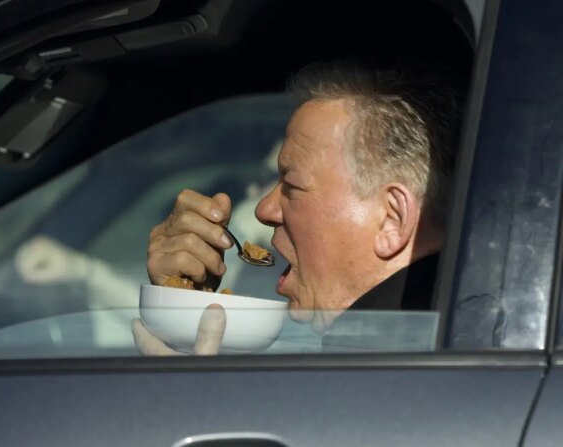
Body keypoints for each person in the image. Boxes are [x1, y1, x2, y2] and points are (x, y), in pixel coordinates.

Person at [133, 59, 465, 355]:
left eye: (291, 186)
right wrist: (183, 311)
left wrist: (198, 396)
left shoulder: (399, 372)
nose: (264, 210)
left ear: (391, 219)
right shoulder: (442, 344)